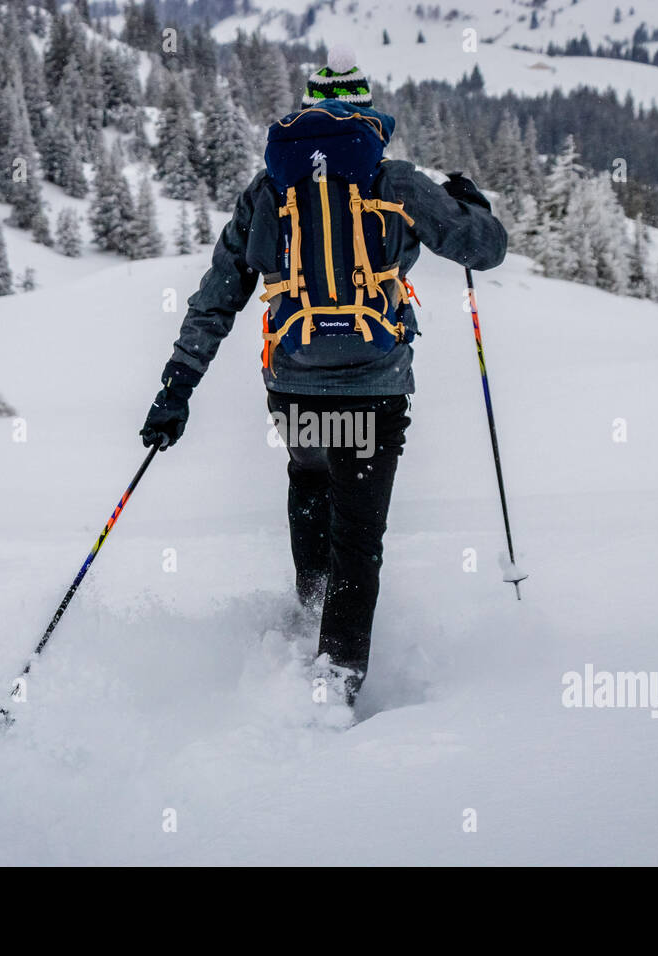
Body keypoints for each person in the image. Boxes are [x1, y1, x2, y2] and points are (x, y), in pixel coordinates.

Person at [141, 47, 507, 707]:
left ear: (308, 107)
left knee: (310, 486)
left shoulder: (268, 190)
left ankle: (308, 613)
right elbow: (483, 248)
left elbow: (217, 298)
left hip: (295, 385)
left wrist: (176, 388)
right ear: (367, 110)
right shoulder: (395, 183)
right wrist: (472, 205)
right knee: (359, 535)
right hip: (375, 386)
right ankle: (334, 681)